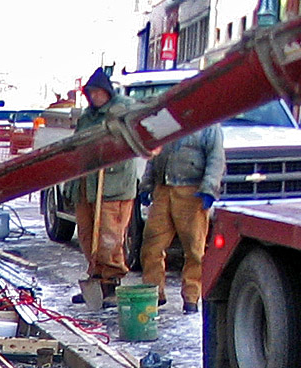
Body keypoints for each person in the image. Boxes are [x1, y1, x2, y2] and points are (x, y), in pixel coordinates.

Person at [70, 67, 139, 307]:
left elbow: (138, 127)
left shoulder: (124, 108)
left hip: (113, 185)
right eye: (90, 93)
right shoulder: (88, 117)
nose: (94, 97)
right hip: (88, 185)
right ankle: (96, 279)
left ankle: (111, 281)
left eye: (97, 93)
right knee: (88, 236)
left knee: (109, 237)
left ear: (107, 92)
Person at [139, 126, 225, 314]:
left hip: (192, 191)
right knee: (151, 245)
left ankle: (191, 297)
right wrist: (146, 185)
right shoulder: (167, 118)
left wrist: (209, 188)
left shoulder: (209, 124)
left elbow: (216, 159)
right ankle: (153, 293)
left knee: (194, 250)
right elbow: (153, 155)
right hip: (162, 190)